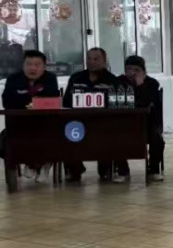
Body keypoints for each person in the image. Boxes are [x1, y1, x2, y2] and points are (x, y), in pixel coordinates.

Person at [1, 50, 60, 183]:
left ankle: (41, 163)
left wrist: (24, 99)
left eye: (37, 65)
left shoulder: (50, 78)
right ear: (23, 65)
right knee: (10, 139)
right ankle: (33, 163)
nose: (32, 68)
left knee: (50, 133)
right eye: (29, 64)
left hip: (44, 123)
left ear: (44, 66)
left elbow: (52, 100)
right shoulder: (13, 79)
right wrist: (33, 101)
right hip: (19, 124)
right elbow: (7, 102)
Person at [64, 48, 120, 182]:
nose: (92, 62)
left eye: (96, 59)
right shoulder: (76, 78)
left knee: (109, 133)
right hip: (78, 121)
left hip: (103, 122)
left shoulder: (112, 81)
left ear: (105, 61)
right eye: (89, 59)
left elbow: (116, 105)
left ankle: (105, 169)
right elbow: (66, 102)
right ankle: (75, 169)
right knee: (67, 131)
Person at [120, 56, 164, 182]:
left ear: (144, 72)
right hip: (125, 122)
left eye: (136, 70)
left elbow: (147, 102)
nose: (132, 73)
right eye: (129, 70)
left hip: (148, 123)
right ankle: (122, 170)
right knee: (114, 136)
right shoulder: (119, 82)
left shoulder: (152, 83)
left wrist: (140, 84)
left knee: (157, 138)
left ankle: (153, 169)